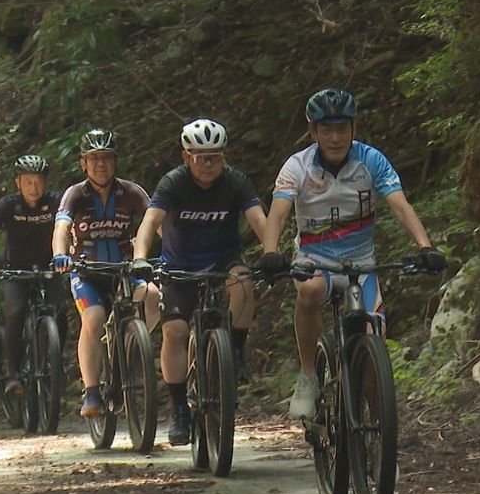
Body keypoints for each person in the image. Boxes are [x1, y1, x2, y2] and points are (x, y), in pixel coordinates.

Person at [257, 88, 446, 420]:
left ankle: (378, 437)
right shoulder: (296, 166)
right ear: (313, 132)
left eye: (342, 128)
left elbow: (400, 206)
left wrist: (425, 246)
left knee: (375, 345)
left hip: (361, 262)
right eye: (326, 129)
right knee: (311, 289)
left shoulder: (371, 160)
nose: (334, 137)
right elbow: (278, 214)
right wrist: (271, 252)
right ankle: (308, 376)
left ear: (353, 128)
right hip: (315, 258)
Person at [131, 118, 267, 446]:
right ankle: (179, 408)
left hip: (222, 260)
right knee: (175, 332)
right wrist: (140, 256)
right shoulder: (173, 183)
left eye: (216, 157)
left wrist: (272, 252)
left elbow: (259, 219)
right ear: (186, 156)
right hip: (180, 266)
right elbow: (150, 222)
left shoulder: (235, 182)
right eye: (201, 156)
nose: (209, 164)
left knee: (244, 281)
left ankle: (235, 350)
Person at [52, 128, 160, 419]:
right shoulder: (75, 194)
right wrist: (60, 255)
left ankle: (132, 350)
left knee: (151, 296)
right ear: (83, 163)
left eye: (107, 158)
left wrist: (174, 249)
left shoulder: (131, 191)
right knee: (95, 318)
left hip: (125, 269)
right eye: (94, 158)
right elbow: (61, 228)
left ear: (116, 161)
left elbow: (156, 221)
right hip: (86, 273)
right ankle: (91, 391)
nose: (101, 164)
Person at [0, 154, 70, 397]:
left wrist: (72, 253)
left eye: (38, 181)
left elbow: (71, 227)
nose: (34, 187)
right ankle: (13, 374)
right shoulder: (8, 205)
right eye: (28, 182)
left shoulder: (55, 201)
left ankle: (52, 357)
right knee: (16, 312)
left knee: (60, 310)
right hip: (16, 270)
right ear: (18, 182)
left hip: (50, 268)